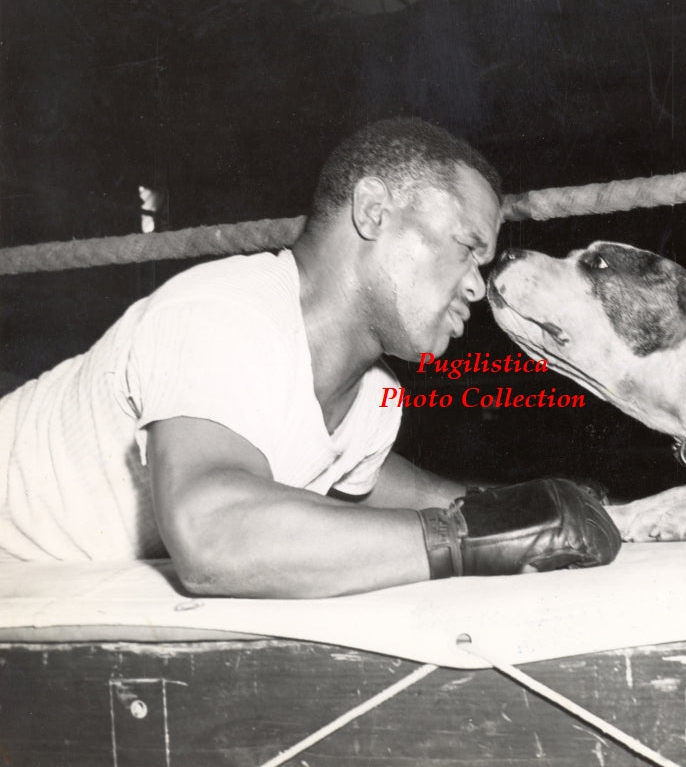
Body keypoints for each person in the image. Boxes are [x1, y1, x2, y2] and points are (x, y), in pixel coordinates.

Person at [0, 117, 620, 597]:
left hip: (58, 586)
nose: (478, 286)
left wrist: (502, 502)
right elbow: (210, 532)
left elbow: (363, 481)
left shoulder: (374, 398)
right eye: (466, 247)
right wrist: (467, 538)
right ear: (374, 211)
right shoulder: (225, 312)